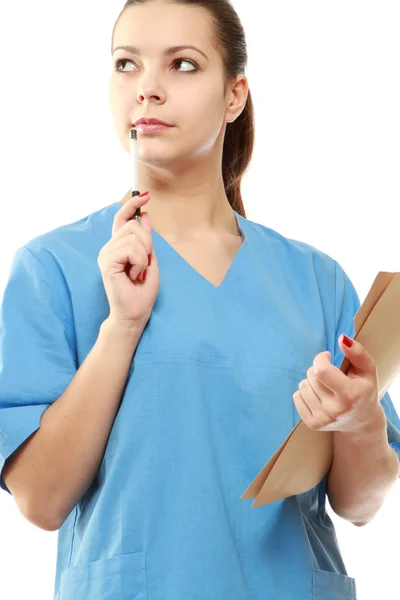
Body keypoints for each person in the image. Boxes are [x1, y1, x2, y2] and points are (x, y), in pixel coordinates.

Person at [0, 1, 399, 599]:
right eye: (126, 65)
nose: (148, 90)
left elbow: (360, 506)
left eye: (182, 65)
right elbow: (40, 499)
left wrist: (360, 417)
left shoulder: (316, 280)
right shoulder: (54, 267)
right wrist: (122, 327)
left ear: (233, 95)